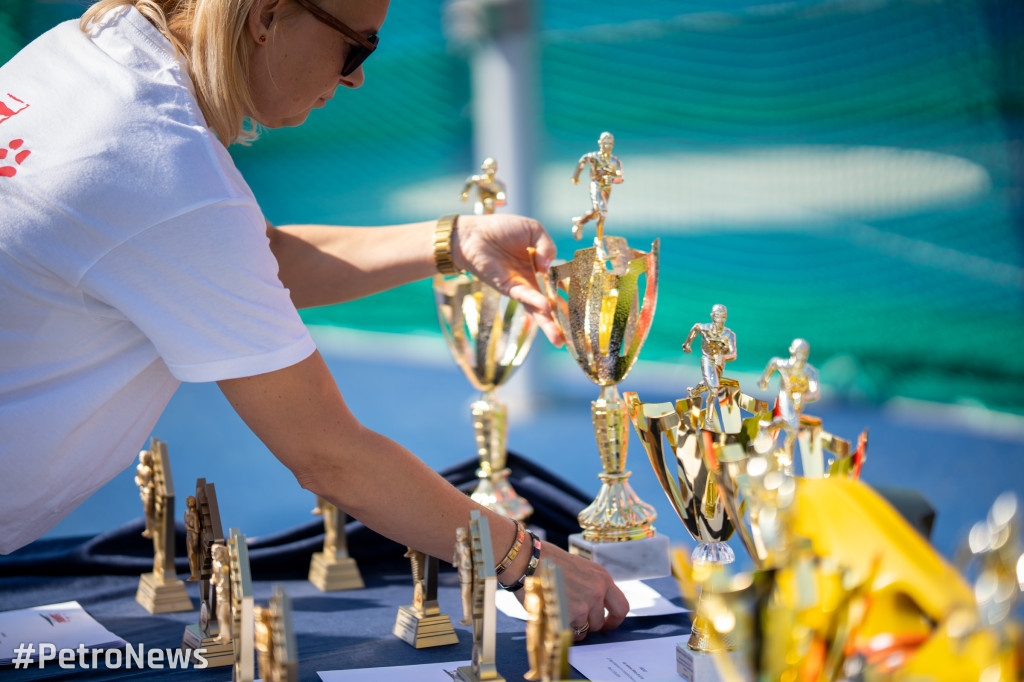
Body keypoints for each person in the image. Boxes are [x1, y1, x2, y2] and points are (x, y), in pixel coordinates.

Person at [0, 0, 626, 638]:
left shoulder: (87, 46)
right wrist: (527, 559)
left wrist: (456, 241)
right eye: (357, 49)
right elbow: (329, 457)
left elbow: (246, 256)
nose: (356, 78)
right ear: (267, 17)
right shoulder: (157, 163)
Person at [570, 131, 623, 252]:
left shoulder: (615, 161)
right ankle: (598, 242)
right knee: (602, 213)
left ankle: (580, 221)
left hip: (607, 188)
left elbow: (620, 177)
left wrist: (613, 179)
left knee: (596, 212)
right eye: (605, 143)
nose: (607, 146)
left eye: (609, 144)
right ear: (600, 143)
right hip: (596, 185)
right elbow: (582, 161)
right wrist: (576, 176)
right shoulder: (594, 157)